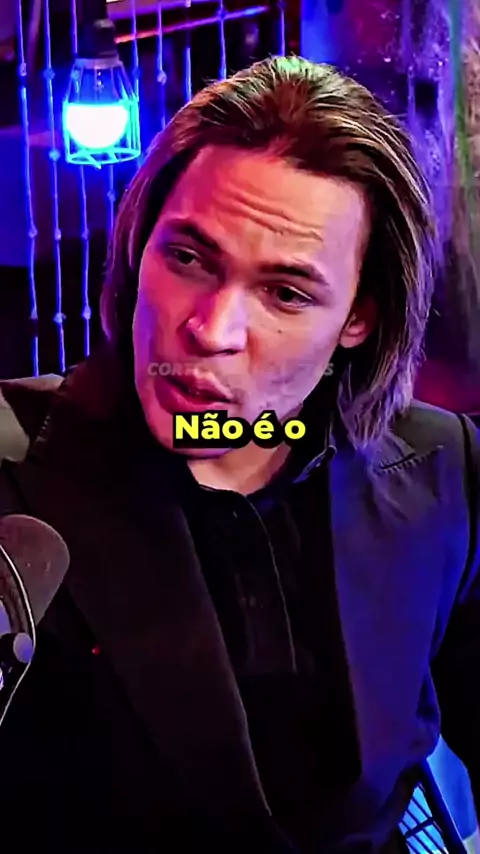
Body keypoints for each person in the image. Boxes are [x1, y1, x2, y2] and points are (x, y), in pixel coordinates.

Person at [0, 55, 478, 853]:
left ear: (358, 318)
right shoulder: (13, 470)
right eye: (188, 258)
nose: (212, 331)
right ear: (139, 246)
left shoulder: (443, 469)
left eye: (285, 292)